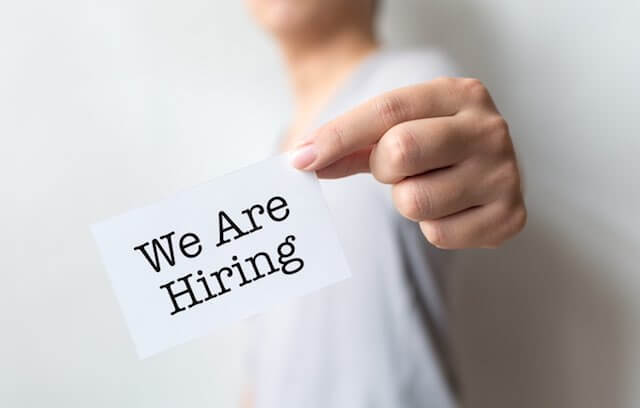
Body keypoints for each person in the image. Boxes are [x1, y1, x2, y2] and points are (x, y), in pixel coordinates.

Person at [242, 0, 526, 407]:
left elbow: (476, 149)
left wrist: (495, 189)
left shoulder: (416, 83)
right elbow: (270, 357)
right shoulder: (265, 156)